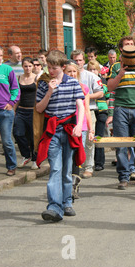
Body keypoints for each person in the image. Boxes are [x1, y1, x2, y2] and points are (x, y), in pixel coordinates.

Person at [35, 50, 85, 222]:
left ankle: (67, 202)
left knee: (66, 169)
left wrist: (79, 125)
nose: (50, 71)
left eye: (54, 68)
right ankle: (54, 206)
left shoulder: (72, 83)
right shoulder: (44, 84)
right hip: (53, 131)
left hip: (69, 129)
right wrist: (49, 91)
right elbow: (40, 108)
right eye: (48, 67)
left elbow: (81, 105)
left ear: (63, 67)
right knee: (55, 168)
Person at [107, 36, 135, 190]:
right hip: (121, 109)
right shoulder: (115, 67)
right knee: (122, 145)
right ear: (121, 48)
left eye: (132, 45)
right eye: (126, 45)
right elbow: (110, 88)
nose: (129, 47)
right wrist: (120, 74)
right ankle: (123, 177)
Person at [71, 50, 104, 178]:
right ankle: (76, 165)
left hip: (89, 110)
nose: (78, 63)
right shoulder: (68, 75)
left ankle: (89, 167)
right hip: (72, 112)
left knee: (89, 141)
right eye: (75, 60)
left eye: (80, 60)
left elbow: (101, 93)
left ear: (84, 61)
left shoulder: (91, 76)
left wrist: (87, 96)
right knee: (76, 141)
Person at [64, 60, 94, 200]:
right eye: (69, 71)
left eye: (73, 71)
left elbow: (87, 110)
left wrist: (90, 129)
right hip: (65, 125)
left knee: (77, 157)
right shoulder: (61, 86)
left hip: (79, 127)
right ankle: (65, 185)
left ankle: (73, 187)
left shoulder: (83, 88)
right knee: (66, 157)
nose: (71, 74)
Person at [0, 46, 20, 176]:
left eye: (0, 55)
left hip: (4, 110)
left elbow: (16, 89)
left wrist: (11, 103)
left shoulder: (7, 69)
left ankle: (11, 166)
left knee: (6, 140)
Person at [13, 57, 38, 169]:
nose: (28, 68)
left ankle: (35, 159)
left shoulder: (36, 78)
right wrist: (14, 109)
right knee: (18, 133)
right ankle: (25, 155)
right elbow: (17, 96)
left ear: (33, 67)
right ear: (22, 67)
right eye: (25, 66)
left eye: (30, 66)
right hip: (21, 110)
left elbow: (39, 95)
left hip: (33, 111)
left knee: (33, 136)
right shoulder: (19, 78)